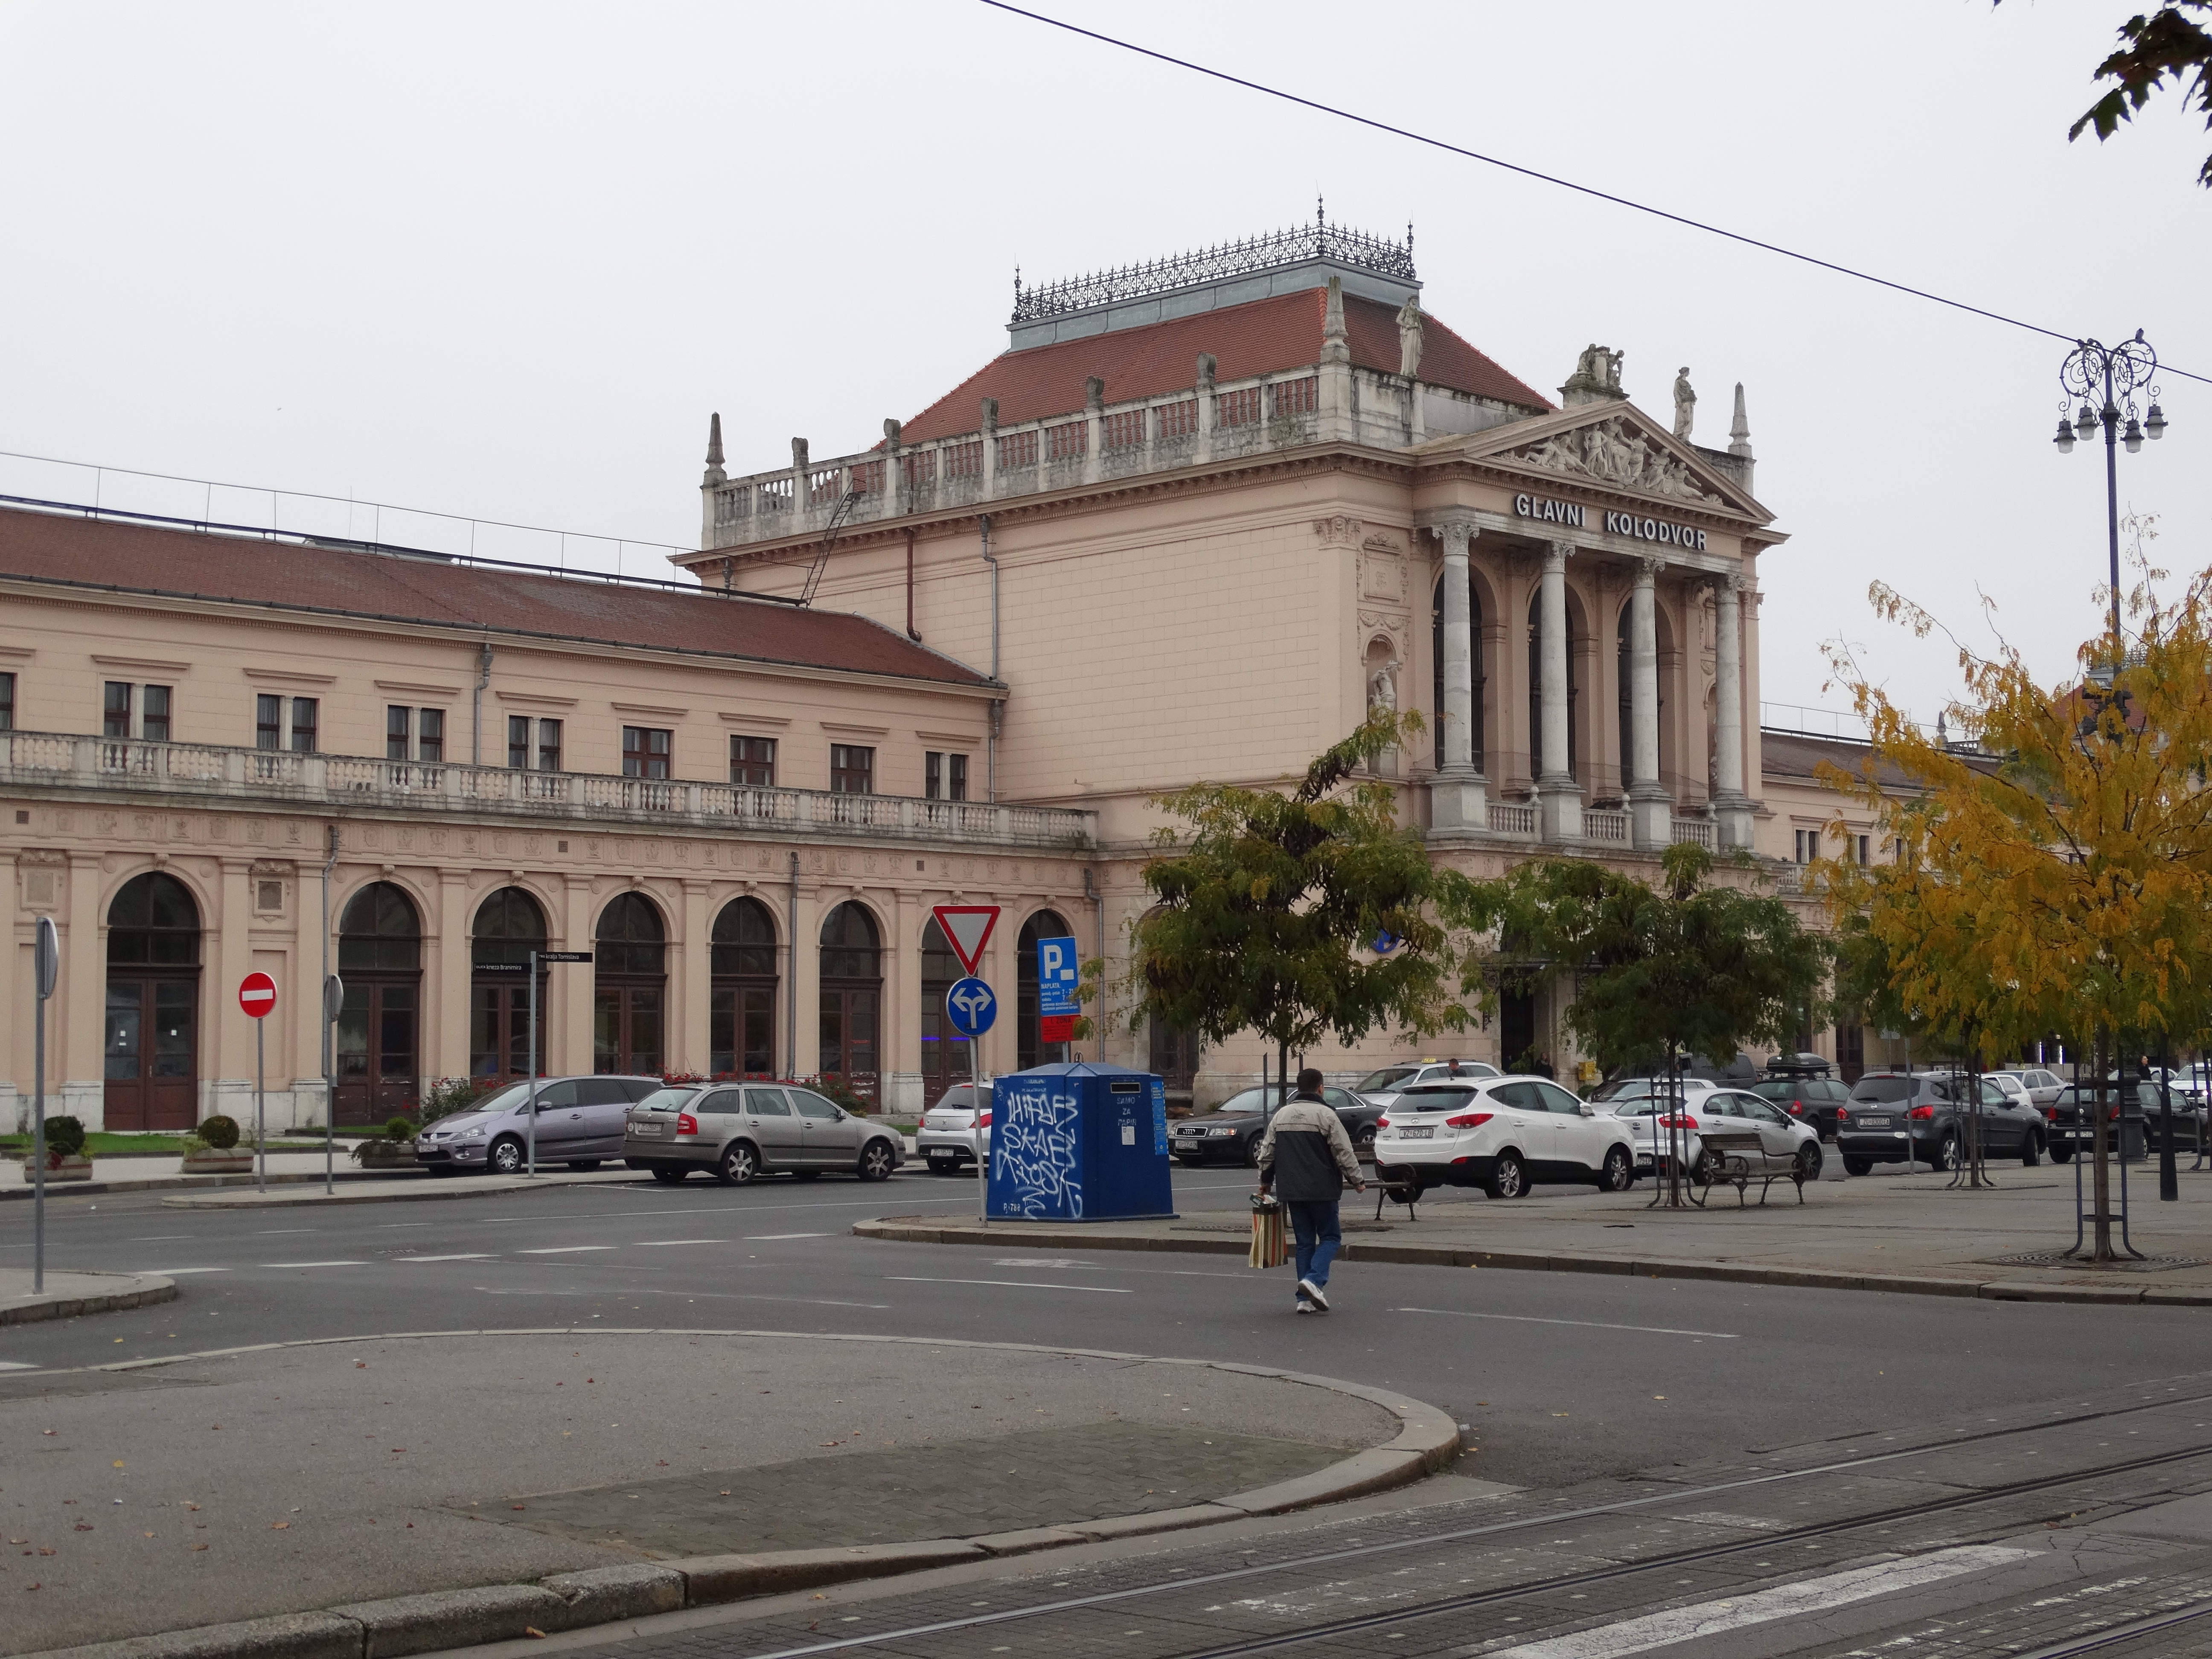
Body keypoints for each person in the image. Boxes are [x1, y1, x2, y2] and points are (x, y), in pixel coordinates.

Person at [1256, 1068, 1365, 1314]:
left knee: (1305, 1243)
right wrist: (1357, 1180)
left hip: (1292, 1190)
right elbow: (1343, 1152)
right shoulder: (1326, 1115)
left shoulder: (1281, 1115)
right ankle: (1314, 1281)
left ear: (1299, 1087)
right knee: (1330, 1237)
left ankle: (1303, 1301)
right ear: (1320, 1088)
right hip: (1323, 1189)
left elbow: (1267, 1153)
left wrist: (1265, 1181)